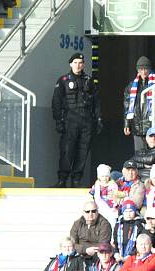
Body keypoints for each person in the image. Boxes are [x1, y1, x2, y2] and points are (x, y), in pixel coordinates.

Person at [52, 52, 101, 188]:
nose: (78, 65)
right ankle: (62, 180)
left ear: (83, 64)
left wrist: (98, 118)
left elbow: (96, 101)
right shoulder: (63, 80)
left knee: (83, 151)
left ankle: (76, 180)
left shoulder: (89, 80)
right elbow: (56, 101)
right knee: (67, 150)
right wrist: (58, 120)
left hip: (86, 121)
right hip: (70, 120)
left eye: (80, 63)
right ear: (70, 64)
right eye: (75, 63)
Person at [123, 56, 155, 151]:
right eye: (141, 69)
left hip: (152, 124)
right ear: (137, 70)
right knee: (139, 154)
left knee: (153, 154)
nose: (143, 72)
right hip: (137, 125)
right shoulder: (131, 86)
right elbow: (127, 106)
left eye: (146, 69)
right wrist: (127, 124)